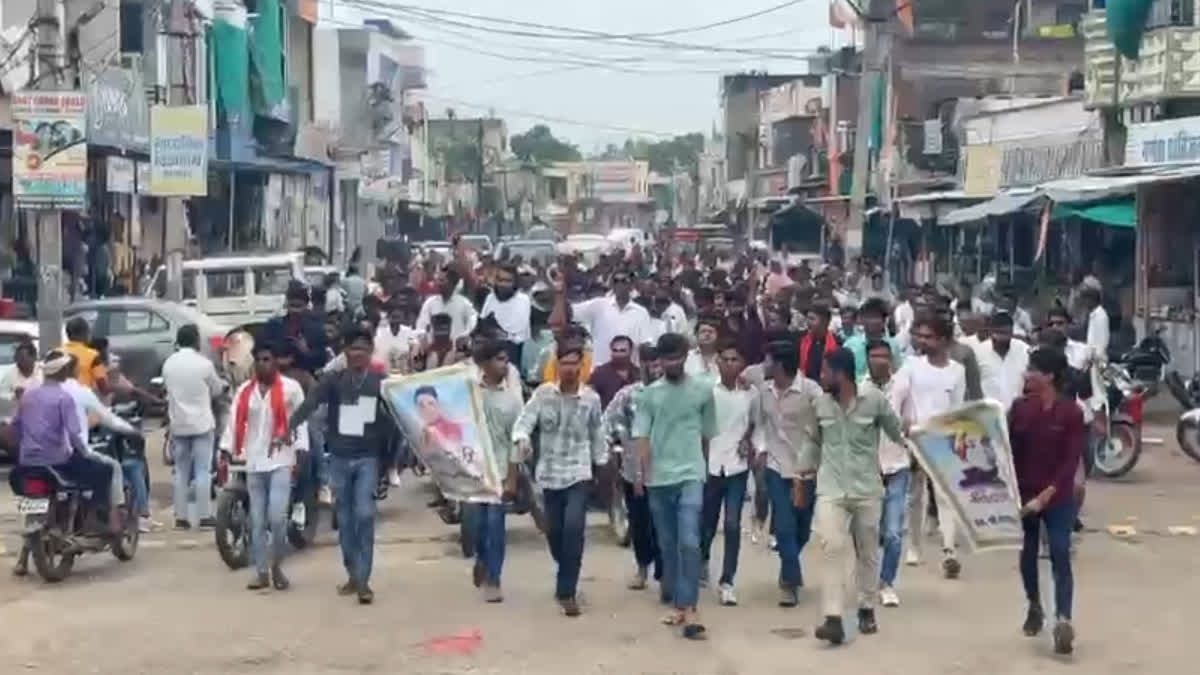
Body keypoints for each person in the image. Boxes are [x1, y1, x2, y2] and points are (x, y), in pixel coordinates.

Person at [808, 348, 906, 645]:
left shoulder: (873, 400)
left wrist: (921, 451)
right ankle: (833, 617)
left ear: (841, 374)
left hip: (867, 489)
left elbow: (896, 431)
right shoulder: (820, 405)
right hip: (831, 488)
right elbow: (813, 442)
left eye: (825, 372)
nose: (821, 378)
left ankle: (866, 607)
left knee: (867, 551)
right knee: (831, 546)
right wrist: (800, 474)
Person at [288, 327, 388, 605]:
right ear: (345, 353)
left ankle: (364, 581)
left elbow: (400, 412)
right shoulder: (333, 381)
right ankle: (353, 571)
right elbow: (310, 404)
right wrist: (289, 426)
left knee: (365, 515)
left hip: (368, 458)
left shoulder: (380, 383)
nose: (357, 354)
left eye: (362, 349)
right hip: (340, 459)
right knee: (343, 519)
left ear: (370, 353)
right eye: (352, 349)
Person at [512, 341, 608, 617]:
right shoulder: (543, 395)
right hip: (550, 473)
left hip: (579, 472)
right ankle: (566, 567)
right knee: (555, 532)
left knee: (574, 528)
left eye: (574, 363)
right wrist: (523, 440)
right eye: (564, 363)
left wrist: (602, 468)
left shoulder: (590, 398)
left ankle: (567, 591)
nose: (569, 369)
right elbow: (524, 423)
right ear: (557, 365)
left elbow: (597, 435)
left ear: (581, 366)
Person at [632, 332, 715, 640]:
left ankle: (690, 608)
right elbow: (641, 436)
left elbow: (707, 435)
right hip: (659, 478)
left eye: (677, 357)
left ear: (685, 356)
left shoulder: (703, 391)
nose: (672, 363)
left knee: (690, 540)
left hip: (691, 473)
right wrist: (641, 475)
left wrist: (704, 471)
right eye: (666, 359)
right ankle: (678, 600)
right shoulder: (649, 395)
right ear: (660, 362)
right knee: (668, 544)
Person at [1010, 348, 1084, 656]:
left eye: (1032, 370)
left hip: (1058, 496)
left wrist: (1047, 496)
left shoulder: (1071, 413)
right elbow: (1007, 451)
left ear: (1049, 376)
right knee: (1028, 553)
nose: (1027, 375)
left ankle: (1063, 619)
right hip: (1025, 493)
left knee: (1060, 551)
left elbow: (1071, 461)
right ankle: (1034, 605)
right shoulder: (1019, 409)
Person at [220, 341, 308, 591]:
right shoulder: (244, 391)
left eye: (267, 359)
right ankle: (261, 572)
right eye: (258, 360)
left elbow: (300, 421)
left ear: (276, 362)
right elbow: (233, 421)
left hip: (281, 458)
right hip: (254, 461)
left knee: (277, 518)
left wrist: (301, 450)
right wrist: (226, 451)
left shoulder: (291, 389)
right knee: (256, 521)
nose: (262, 364)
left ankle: (277, 566)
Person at [11, 352, 113, 548]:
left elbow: (16, 427)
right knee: (104, 471)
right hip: (56, 460)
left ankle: (25, 557)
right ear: (64, 372)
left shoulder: (28, 397)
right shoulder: (63, 398)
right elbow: (74, 434)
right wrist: (85, 452)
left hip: (28, 461)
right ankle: (95, 522)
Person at [892, 315, 967, 577]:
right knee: (915, 495)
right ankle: (914, 545)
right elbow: (896, 398)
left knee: (946, 496)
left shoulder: (957, 371)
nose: (922, 340)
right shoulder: (912, 365)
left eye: (929, 336)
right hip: (914, 437)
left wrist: (959, 439)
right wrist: (900, 429)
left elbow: (958, 408)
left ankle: (949, 551)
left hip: (943, 439)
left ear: (944, 340)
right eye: (920, 336)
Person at [750, 340, 820, 607]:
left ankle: (787, 569)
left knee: (802, 529)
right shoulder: (763, 392)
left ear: (779, 365)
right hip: (775, 466)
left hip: (805, 469)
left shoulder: (811, 391)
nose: (763, 366)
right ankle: (792, 580)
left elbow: (824, 425)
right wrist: (760, 449)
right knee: (785, 526)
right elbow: (759, 424)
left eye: (767, 361)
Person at [699, 339, 758, 607]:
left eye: (736, 360)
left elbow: (754, 423)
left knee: (733, 523)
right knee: (708, 522)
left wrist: (748, 440)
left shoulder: (750, 393)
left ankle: (727, 581)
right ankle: (702, 560)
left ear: (742, 364)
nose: (730, 364)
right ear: (718, 362)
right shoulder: (707, 391)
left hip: (736, 466)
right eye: (726, 359)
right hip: (710, 464)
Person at [468, 338, 525, 603]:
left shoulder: (512, 400)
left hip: (500, 472)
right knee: (476, 527)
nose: (505, 365)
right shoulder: (468, 392)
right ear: (484, 364)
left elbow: (517, 441)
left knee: (495, 526)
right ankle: (481, 558)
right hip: (474, 471)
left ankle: (494, 577)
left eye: (506, 359)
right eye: (499, 359)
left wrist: (512, 478)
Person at [604, 344, 663, 592]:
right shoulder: (628, 395)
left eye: (657, 362)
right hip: (634, 470)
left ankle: (665, 572)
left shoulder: (672, 393)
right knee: (640, 523)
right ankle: (642, 569)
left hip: (667, 470)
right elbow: (608, 423)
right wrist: (617, 443)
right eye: (648, 362)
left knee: (663, 524)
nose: (654, 368)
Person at [161, 324, 226, 529]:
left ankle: (181, 517)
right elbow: (217, 390)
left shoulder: (168, 363)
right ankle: (204, 515)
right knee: (202, 470)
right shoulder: (204, 364)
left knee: (180, 471)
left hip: (178, 424)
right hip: (201, 424)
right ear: (196, 340)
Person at [862, 339, 911, 608]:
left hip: (897, 465)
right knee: (867, 532)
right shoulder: (859, 388)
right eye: (874, 356)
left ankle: (887, 582)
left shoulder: (902, 386)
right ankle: (867, 579)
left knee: (892, 533)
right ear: (867, 359)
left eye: (884, 355)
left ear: (890, 359)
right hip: (868, 469)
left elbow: (910, 422)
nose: (880, 360)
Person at [562, 268, 651, 367]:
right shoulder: (599, 305)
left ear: (631, 286)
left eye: (624, 281)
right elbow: (569, 312)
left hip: (630, 374)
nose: (619, 284)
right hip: (600, 371)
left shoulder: (641, 313)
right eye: (616, 281)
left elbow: (645, 346)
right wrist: (559, 290)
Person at [261, 283, 329, 374]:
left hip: (305, 374)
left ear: (306, 306)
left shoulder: (316, 328)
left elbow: (322, 359)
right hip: (276, 374)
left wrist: (306, 351)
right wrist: (276, 360)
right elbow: (261, 350)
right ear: (287, 304)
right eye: (292, 306)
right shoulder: (274, 325)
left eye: (299, 306)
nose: (295, 311)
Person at [975, 312, 1030, 412]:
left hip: (1020, 413)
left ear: (1011, 332)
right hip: (990, 413)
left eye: (1005, 333)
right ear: (990, 331)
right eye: (998, 333)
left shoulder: (1024, 350)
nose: (1002, 338)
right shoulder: (978, 352)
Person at [480, 263, 532, 364]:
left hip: (513, 348)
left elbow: (517, 334)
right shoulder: (490, 298)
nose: (503, 284)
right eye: (500, 280)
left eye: (508, 281)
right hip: (489, 346)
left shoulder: (522, 300)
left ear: (515, 283)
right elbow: (483, 323)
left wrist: (498, 334)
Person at [844, 297, 900, 379]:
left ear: (884, 320)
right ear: (862, 320)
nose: (872, 321)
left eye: (876, 317)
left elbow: (897, 372)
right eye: (869, 317)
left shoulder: (893, 345)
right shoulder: (850, 345)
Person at [416, 266, 478, 341]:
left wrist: (465, 335)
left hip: (455, 349)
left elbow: (473, 321)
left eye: (442, 280)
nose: (438, 284)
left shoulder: (463, 303)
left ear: (452, 283)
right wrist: (422, 335)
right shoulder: (430, 303)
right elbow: (421, 325)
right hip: (433, 349)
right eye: (438, 280)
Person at [589, 335, 637, 410]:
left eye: (622, 350)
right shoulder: (600, 374)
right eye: (615, 350)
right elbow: (590, 401)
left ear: (631, 351)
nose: (618, 354)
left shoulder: (638, 374)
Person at [374, 301, 420, 375]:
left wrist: (412, 361)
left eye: (398, 317)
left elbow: (415, 351)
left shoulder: (408, 331)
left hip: (405, 371)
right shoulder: (380, 334)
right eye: (393, 317)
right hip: (386, 371)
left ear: (402, 318)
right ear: (388, 317)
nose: (396, 320)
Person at [63, 316, 108, 394]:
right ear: (84, 333)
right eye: (89, 332)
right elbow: (103, 388)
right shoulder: (93, 355)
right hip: (83, 399)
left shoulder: (54, 353)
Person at [0, 341, 42, 418]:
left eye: (22, 359)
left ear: (33, 357)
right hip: (18, 417)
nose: (18, 362)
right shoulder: (10, 374)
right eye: (17, 358)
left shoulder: (44, 372)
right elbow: (2, 394)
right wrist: (14, 396)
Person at [799, 303, 838, 382]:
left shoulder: (837, 343)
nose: (808, 322)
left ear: (825, 322)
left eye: (812, 319)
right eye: (807, 318)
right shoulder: (801, 340)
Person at [684, 315, 721, 385]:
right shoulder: (687, 357)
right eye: (703, 331)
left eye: (711, 331)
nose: (707, 334)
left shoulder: (724, 357)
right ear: (696, 335)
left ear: (718, 335)